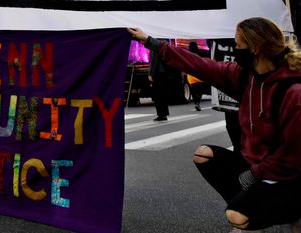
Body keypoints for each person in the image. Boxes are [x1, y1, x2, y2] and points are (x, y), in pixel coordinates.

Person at [129, 18, 301, 231]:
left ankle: (290, 213)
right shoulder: (245, 76)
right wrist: (150, 42)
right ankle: (249, 202)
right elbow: (200, 65)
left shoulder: (293, 91)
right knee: (204, 155)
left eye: (238, 44)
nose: (235, 49)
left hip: (287, 177)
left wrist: (252, 177)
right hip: (256, 166)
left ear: (255, 48)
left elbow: (291, 158)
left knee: (237, 215)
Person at [148, 41, 171, 121]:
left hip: (157, 73)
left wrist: (150, 74)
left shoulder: (155, 47)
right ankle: (164, 114)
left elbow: (153, 62)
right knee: (163, 94)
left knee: (157, 95)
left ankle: (161, 114)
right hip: (164, 73)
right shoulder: (164, 46)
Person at [187, 41, 207, 112]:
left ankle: (196, 102)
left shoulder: (187, 55)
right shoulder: (199, 55)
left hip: (191, 75)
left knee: (193, 90)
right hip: (198, 75)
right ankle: (198, 102)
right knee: (200, 91)